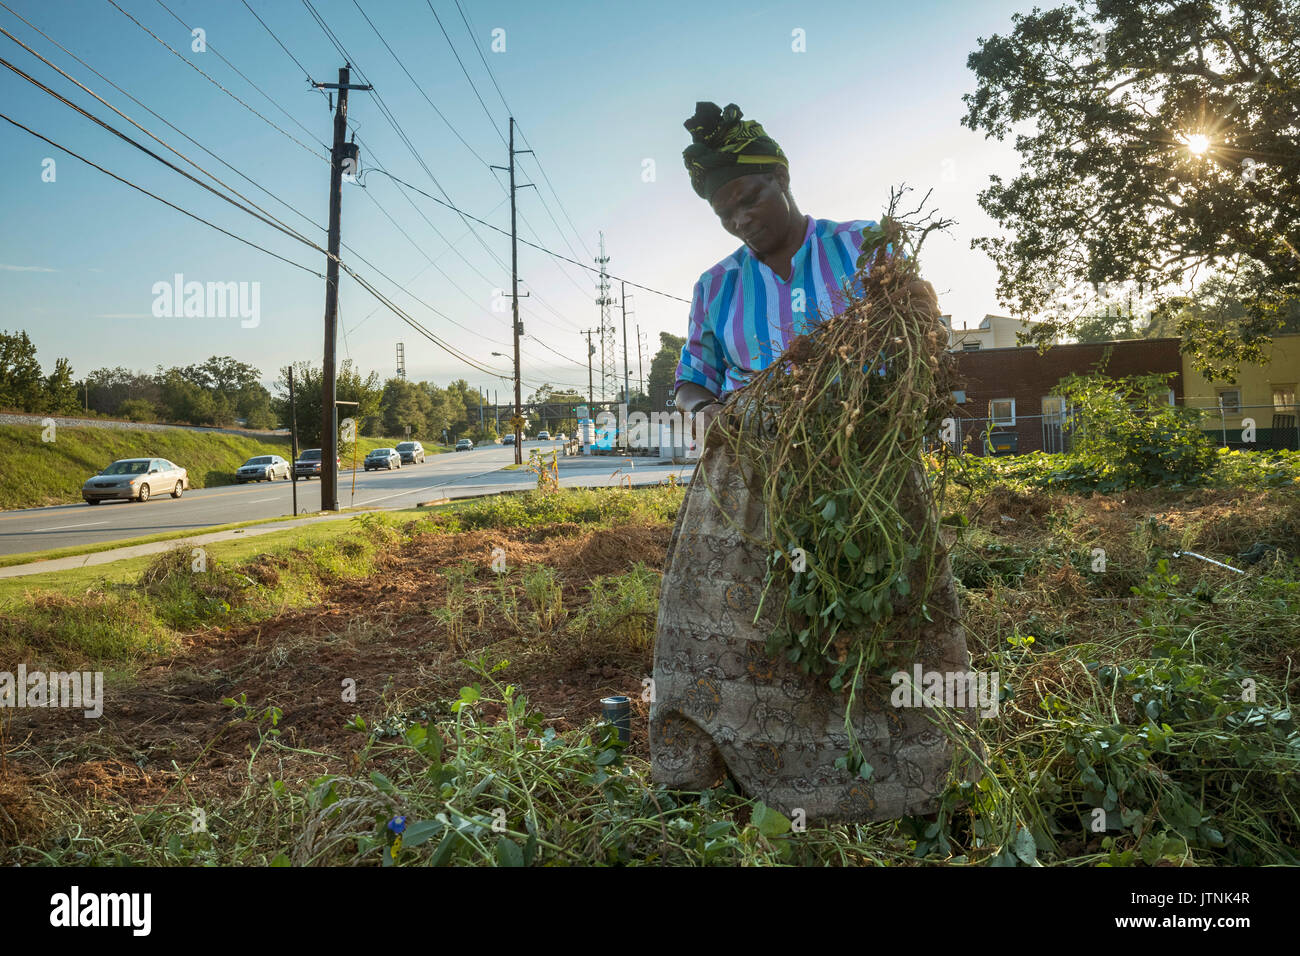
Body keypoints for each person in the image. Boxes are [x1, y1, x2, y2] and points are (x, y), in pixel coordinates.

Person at [647, 101, 978, 822]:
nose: (741, 218)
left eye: (751, 197)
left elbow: (921, 332)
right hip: (750, 480)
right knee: (754, 625)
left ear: (784, 178)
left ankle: (912, 775)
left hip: (862, 475)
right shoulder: (716, 286)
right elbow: (693, 376)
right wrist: (715, 417)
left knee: (884, 612)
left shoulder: (865, 245)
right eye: (724, 211)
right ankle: (749, 767)